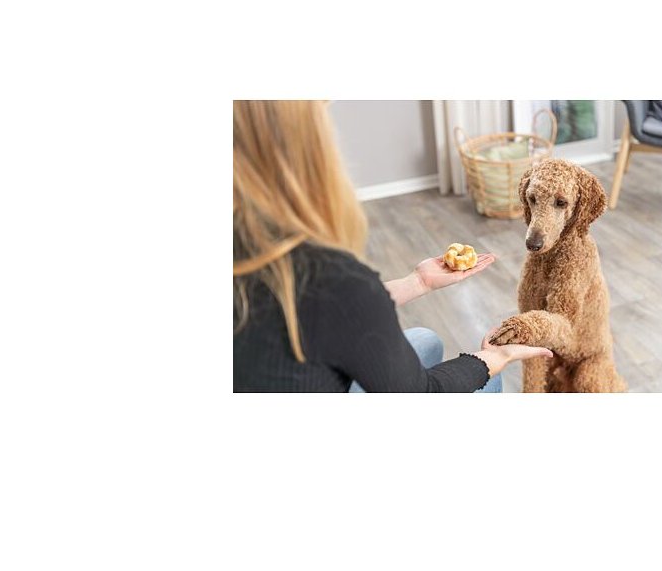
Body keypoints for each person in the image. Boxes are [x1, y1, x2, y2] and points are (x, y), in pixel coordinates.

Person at [233, 100, 553, 392]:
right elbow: (421, 392)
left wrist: (418, 282)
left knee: (425, 340)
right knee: (489, 381)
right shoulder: (329, 279)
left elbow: (321, 313)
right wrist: (492, 358)